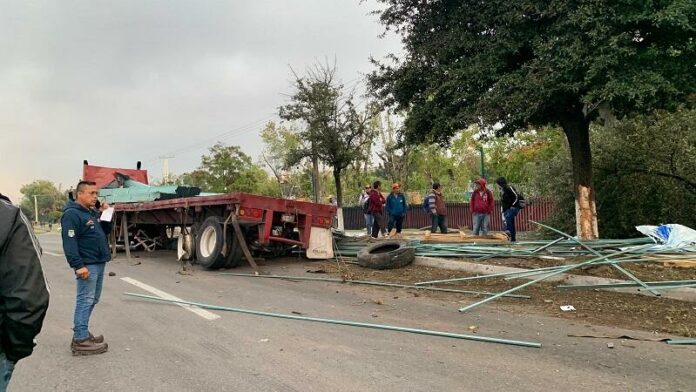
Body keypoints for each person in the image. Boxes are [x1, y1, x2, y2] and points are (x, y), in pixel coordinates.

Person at [0, 193, 50, 390]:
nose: (95, 197)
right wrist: (14, 351)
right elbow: (28, 299)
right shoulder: (7, 216)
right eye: (91, 193)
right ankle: (80, 336)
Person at [61, 181, 112, 356]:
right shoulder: (72, 214)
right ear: (79, 194)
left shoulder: (90, 212)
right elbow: (69, 243)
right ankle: (80, 340)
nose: (95, 197)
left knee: (93, 299)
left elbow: (105, 231)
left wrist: (106, 213)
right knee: (85, 299)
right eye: (91, 193)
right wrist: (78, 265)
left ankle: (82, 331)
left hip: (98, 261)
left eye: (96, 193)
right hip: (87, 264)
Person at [496, 177, 522, 242]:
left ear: (500, 183)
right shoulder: (502, 190)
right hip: (506, 210)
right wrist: (503, 210)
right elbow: (503, 201)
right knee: (511, 222)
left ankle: (508, 233)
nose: (497, 185)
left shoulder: (509, 188)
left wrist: (513, 205)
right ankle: (513, 239)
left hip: (512, 208)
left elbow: (516, 196)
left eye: (497, 183)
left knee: (508, 219)